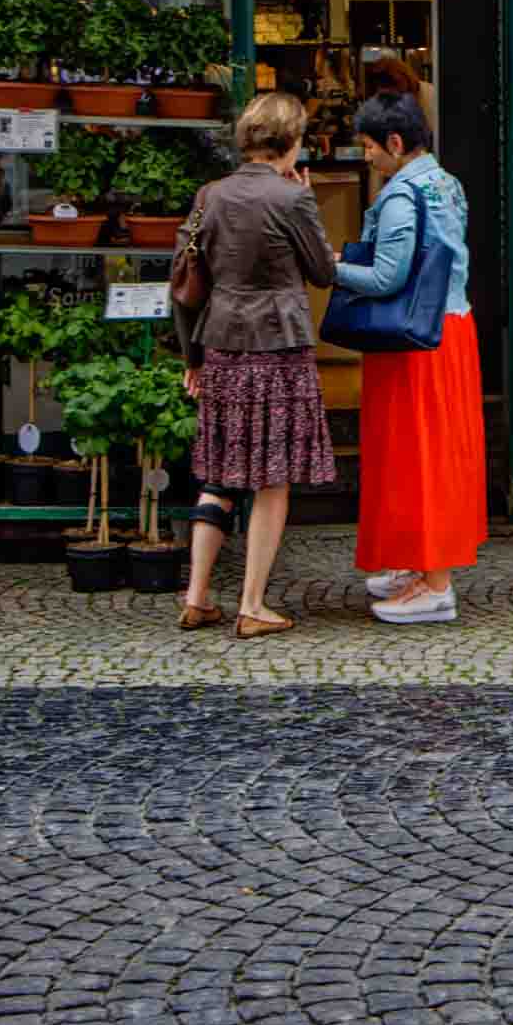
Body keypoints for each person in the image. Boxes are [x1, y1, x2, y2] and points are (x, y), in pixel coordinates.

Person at [175, 92, 340, 639]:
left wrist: (191, 355)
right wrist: (308, 202)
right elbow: (321, 272)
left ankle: (197, 597)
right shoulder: (292, 199)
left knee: (219, 470)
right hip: (279, 347)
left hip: (221, 343)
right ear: (290, 141)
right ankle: (251, 604)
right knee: (272, 480)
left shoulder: (210, 195)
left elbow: (183, 284)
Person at [343, 89, 485, 626]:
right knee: (435, 453)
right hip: (448, 329)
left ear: (395, 142)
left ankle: (435, 585)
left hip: (412, 341)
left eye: (370, 147)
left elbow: (386, 277)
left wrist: (329, 266)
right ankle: (420, 567)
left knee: (416, 454)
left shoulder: (402, 195)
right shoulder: (447, 183)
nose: (367, 158)